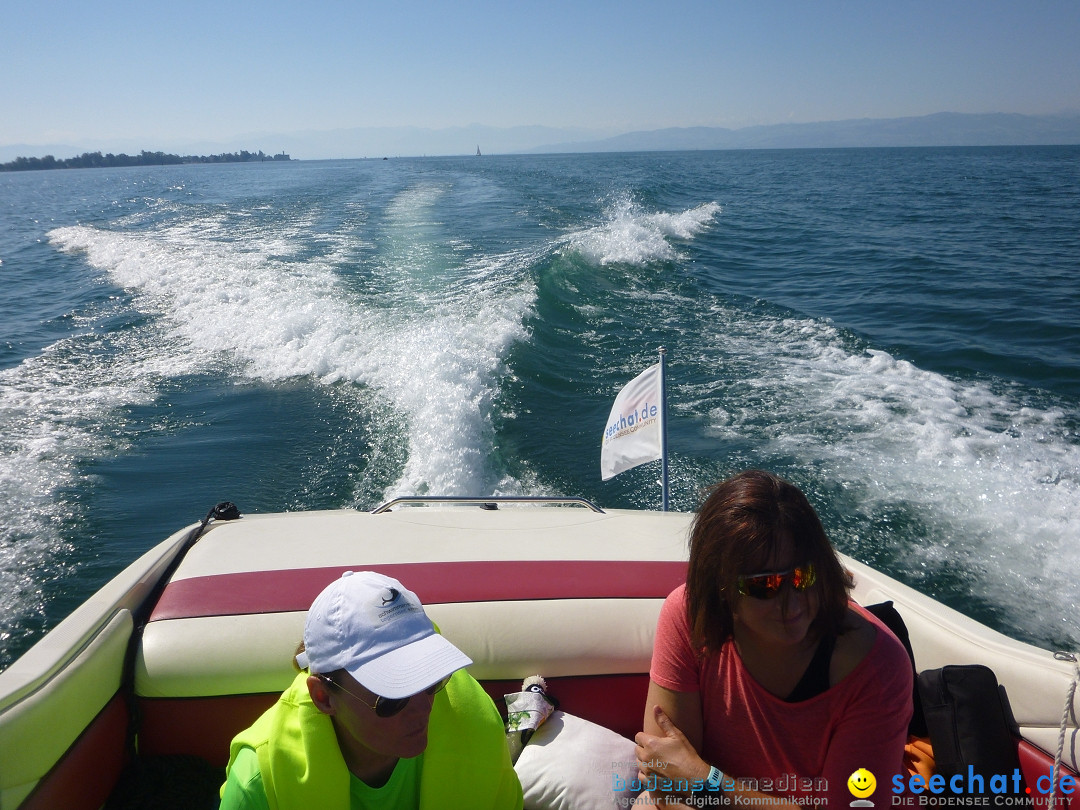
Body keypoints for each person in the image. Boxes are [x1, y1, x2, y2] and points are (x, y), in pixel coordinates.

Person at [634, 470, 912, 808]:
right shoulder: (689, 616)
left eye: (802, 575)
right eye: (763, 585)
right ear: (720, 589)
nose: (791, 604)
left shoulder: (876, 667)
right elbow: (665, 783)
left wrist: (706, 783)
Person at [220, 570, 523, 810]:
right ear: (323, 697)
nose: (422, 710)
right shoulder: (260, 784)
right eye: (392, 698)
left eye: (431, 682)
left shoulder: (478, 726)